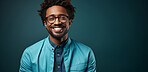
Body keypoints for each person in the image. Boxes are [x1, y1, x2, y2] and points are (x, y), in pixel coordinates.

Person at [19, 0, 96, 72]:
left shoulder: (87, 53)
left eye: (62, 17)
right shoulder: (29, 54)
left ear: (69, 22)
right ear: (45, 23)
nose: (57, 22)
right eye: (51, 18)